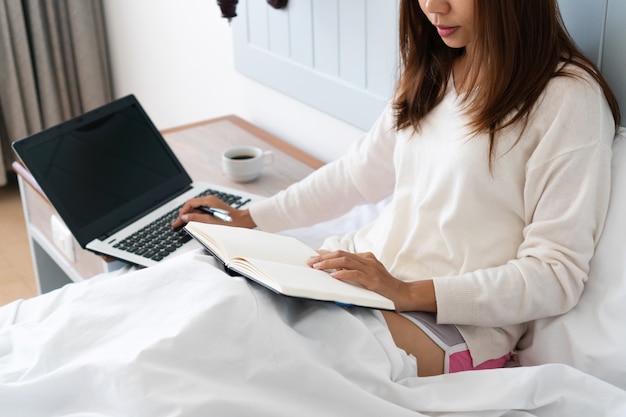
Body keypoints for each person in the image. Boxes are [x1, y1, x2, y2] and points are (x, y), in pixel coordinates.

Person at [172, 0, 620, 377]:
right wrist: (251, 218)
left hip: (450, 325)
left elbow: (556, 275)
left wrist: (405, 292)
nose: (432, 7)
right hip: (362, 281)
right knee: (202, 317)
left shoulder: (567, 98)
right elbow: (357, 174)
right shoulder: (435, 68)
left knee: (256, 364)